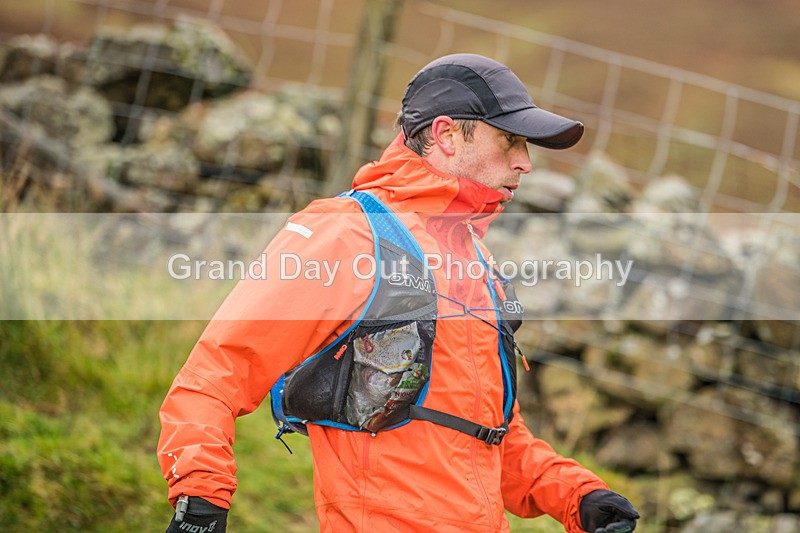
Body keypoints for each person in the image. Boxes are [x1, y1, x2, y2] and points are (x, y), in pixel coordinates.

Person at [158, 53, 640, 533]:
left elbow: (488, 438)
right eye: (510, 140)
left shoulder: (475, 258)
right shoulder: (345, 234)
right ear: (447, 135)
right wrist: (200, 498)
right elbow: (215, 375)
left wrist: (578, 497)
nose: (525, 162)